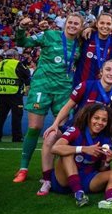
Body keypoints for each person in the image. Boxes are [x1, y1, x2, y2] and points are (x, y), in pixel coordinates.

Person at [13, 13, 84, 183]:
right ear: (65, 23)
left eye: (77, 24)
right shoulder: (50, 35)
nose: (73, 26)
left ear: (81, 27)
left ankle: (55, 171)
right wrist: (22, 28)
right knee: (35, 127)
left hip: (64, 90)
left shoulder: (81, 43)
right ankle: (23, 168)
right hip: (42, 86)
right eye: (70, 22)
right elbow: (22, 42)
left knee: (60, 130)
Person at [37, 59, 112, 195]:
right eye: (108, 69)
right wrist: (55, 124)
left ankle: (83, 182)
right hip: (75, 129)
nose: (111, 73)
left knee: (92, 158)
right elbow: (68, 106)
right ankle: (47, 180)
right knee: (51, 137)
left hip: (97, 133)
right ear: (101, 72)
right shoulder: (86, 85)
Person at [50, 103, 112, 209]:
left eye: (104, 120)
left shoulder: (106, 139)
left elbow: (101, 169)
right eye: (96, 118)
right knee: (67, 152)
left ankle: (110, 201)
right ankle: (79, 193)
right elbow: (55, 148)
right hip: (65, 180)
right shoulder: (75, 130)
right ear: (89, 117)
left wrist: (107, 162)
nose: (100, 122)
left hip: (88, 178)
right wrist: (83, 149)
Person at [74, 12, 112, 86]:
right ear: (97, 24)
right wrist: (89, 28)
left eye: (108, 24)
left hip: (100, 87)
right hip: (80, 84)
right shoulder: (86, 36)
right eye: (102, 23)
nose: (105, 26)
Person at [0, 49, 30, 142]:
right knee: (16, 116)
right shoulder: (17, 64)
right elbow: (27, 75)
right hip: (14, 94)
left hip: (1, 93)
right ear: (15, 56)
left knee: (0, 116)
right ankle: (17, 137)